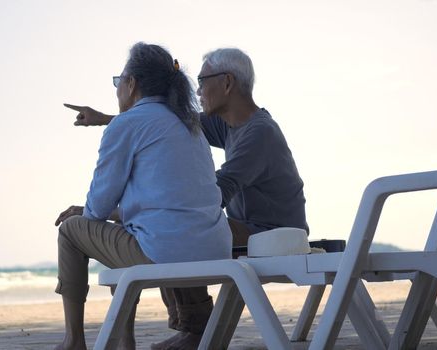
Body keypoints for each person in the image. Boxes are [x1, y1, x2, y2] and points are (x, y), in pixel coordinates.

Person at [65, 47, 308, 350]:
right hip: (245, 225)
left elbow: (209, 195)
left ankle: (194, 328)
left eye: (203, 81)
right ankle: (194, 327)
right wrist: (106, 119)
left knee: (179, 226)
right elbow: (161, 124)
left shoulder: (259, 133)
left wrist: (121, 213)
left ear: (227, 83)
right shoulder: (228, 123)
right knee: (181, 226)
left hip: (273, 233)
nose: (197, 90)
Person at [53, 42, 232, 350]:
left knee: (71, 230)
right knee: (131, 232)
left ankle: (74, 342)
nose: (117, 89)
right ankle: (125, 342)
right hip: (216, 248)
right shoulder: (190, 124)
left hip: (166, 253)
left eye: (118, 81)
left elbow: (96, 210)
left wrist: (88, 212)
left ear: (132, 84)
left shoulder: (126, 124)